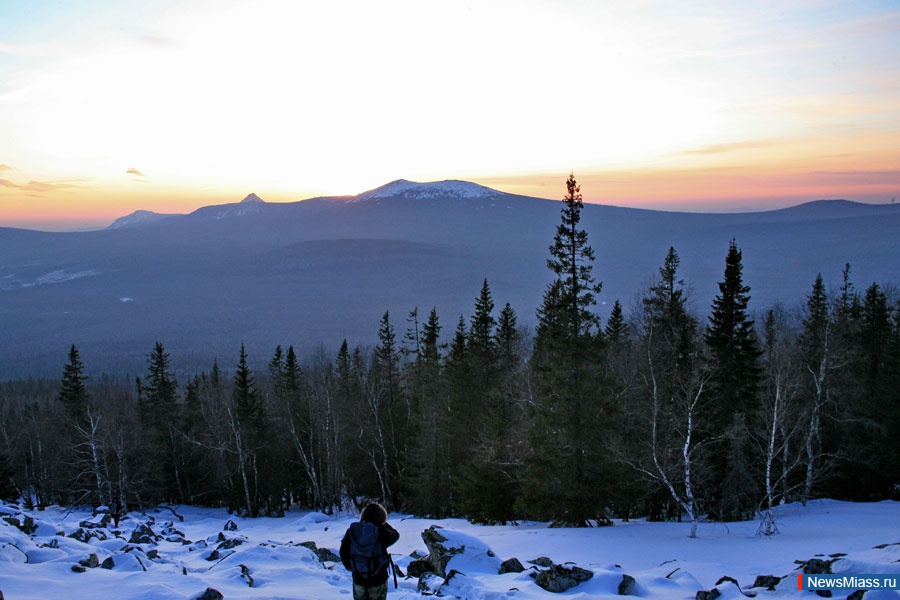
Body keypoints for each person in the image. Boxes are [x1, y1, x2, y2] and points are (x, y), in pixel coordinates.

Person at [340, 503, 400, 600]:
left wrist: (351, 567)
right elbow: (395, 535)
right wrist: (382, 523)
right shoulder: (381, 532)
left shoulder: (352, 530)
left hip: (358, 578)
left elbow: (343, 551)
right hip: (378, 578)